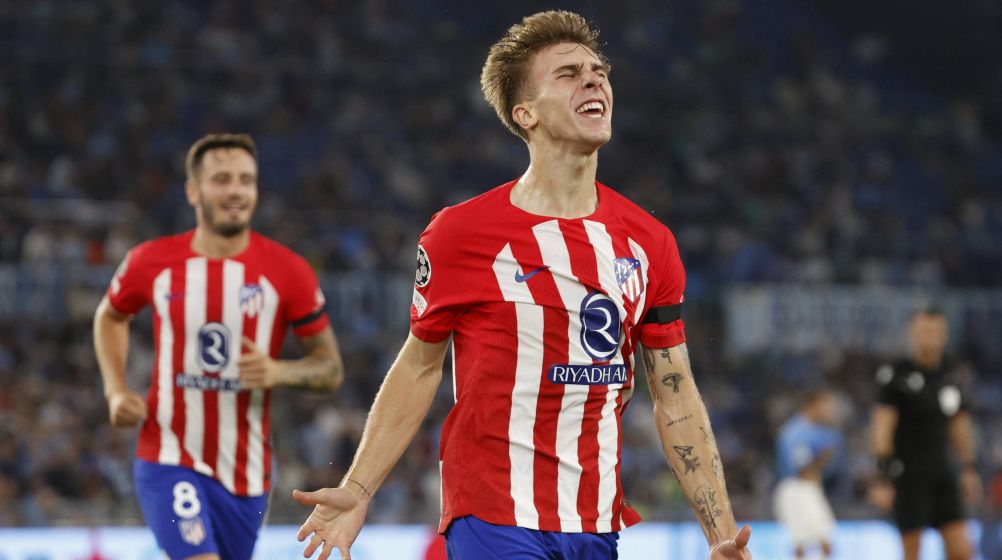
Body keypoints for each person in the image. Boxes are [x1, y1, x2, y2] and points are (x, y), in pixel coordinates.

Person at [293, 11, 751, 560]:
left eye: (599, 70)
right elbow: (419, 366)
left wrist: (721, 535)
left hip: (594, 524)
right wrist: (360, 487)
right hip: (493, 517)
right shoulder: (461, 233)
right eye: (568, 73)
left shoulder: (650, 242)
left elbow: (675, 397)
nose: (594, 79)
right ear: (524, 113)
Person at [93, 133, 345, 560]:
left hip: (247, 476)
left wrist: (279, 371)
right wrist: (115, 388)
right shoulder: (151, 262)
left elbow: (330, 369)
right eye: (221, 179)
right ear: (193, 191)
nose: (236, 190)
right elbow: (110, 315)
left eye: (246, 180)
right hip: (168, 457)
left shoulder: (288, 272)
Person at [869, 308, 981, 560]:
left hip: (942, 470)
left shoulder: (951, 374)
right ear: (912, 334)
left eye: (934, 331)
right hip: (908, 473)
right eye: (922, 331)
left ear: (944, 335)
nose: (928, 336)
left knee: (961, 550)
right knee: (912, 550)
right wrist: (883, 476)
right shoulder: (895, 374)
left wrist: (968, 467)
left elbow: (959, 424)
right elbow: (882, 426)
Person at [773, 389, 842, 559]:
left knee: (825, 543)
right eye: (826, 406)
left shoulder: (823, 431)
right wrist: (823, 456)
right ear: (812, 406)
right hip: (796, 489)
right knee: (803, 545)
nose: (830, 410)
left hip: (811, 489)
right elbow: (802, 469)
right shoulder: (795, 432)